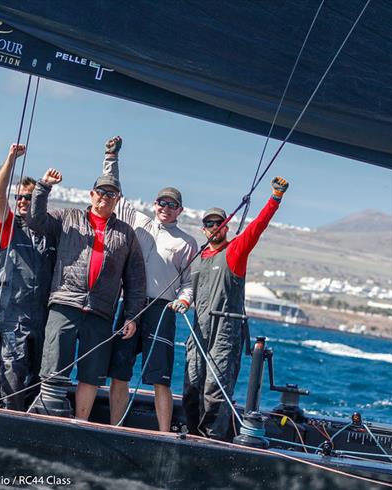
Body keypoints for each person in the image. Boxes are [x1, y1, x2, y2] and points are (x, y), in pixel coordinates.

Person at [28, 167, 146, 421]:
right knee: (54, 364)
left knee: (91, 373)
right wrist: (43, 187)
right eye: (101, 192)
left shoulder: (126, 234)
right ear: (92, 194)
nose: (105, 196)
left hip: (101, 312)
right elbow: (35, 221)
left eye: (112, 194)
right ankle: (46, 418)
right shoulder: (66, 217)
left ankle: (80, 422)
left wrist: (132, 316)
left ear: (118, 200)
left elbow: (135, 280)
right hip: (65, 302)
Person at [101, 136, 198, 430]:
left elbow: (189, 283)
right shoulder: (137, 221)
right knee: (119, 373)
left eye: (173, 205)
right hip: (131, 304)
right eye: (162, 202)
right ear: (154, 205)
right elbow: (113, 190)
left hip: (162, 310)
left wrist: (184, 300)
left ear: (180, 210)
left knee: (159, 377)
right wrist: (111, 155)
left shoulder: (187, 242)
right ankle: (116, 426)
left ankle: (164, 434)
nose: (166, 207)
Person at [183, 176, 289, 439]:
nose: (215, 227)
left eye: (220, 223)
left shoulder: (235, 251)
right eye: (209, 224)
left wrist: (275, 198)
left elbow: (257, 227)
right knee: (191, 386)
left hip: (225, 331)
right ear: (203, 229)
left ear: (226, 227)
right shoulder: (198, 257)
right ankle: (193, 434)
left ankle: (214, 439)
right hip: (199, 330)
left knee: (214, 389)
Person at [0, 144, 57, 410]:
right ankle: (10, 416)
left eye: (27, 198)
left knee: (39, 371)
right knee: (13, 369)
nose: (21, 202)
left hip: (43, 316)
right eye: (18, 197)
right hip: (12, 315)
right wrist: (10, 159)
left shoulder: (51, 231)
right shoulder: (9, 228)